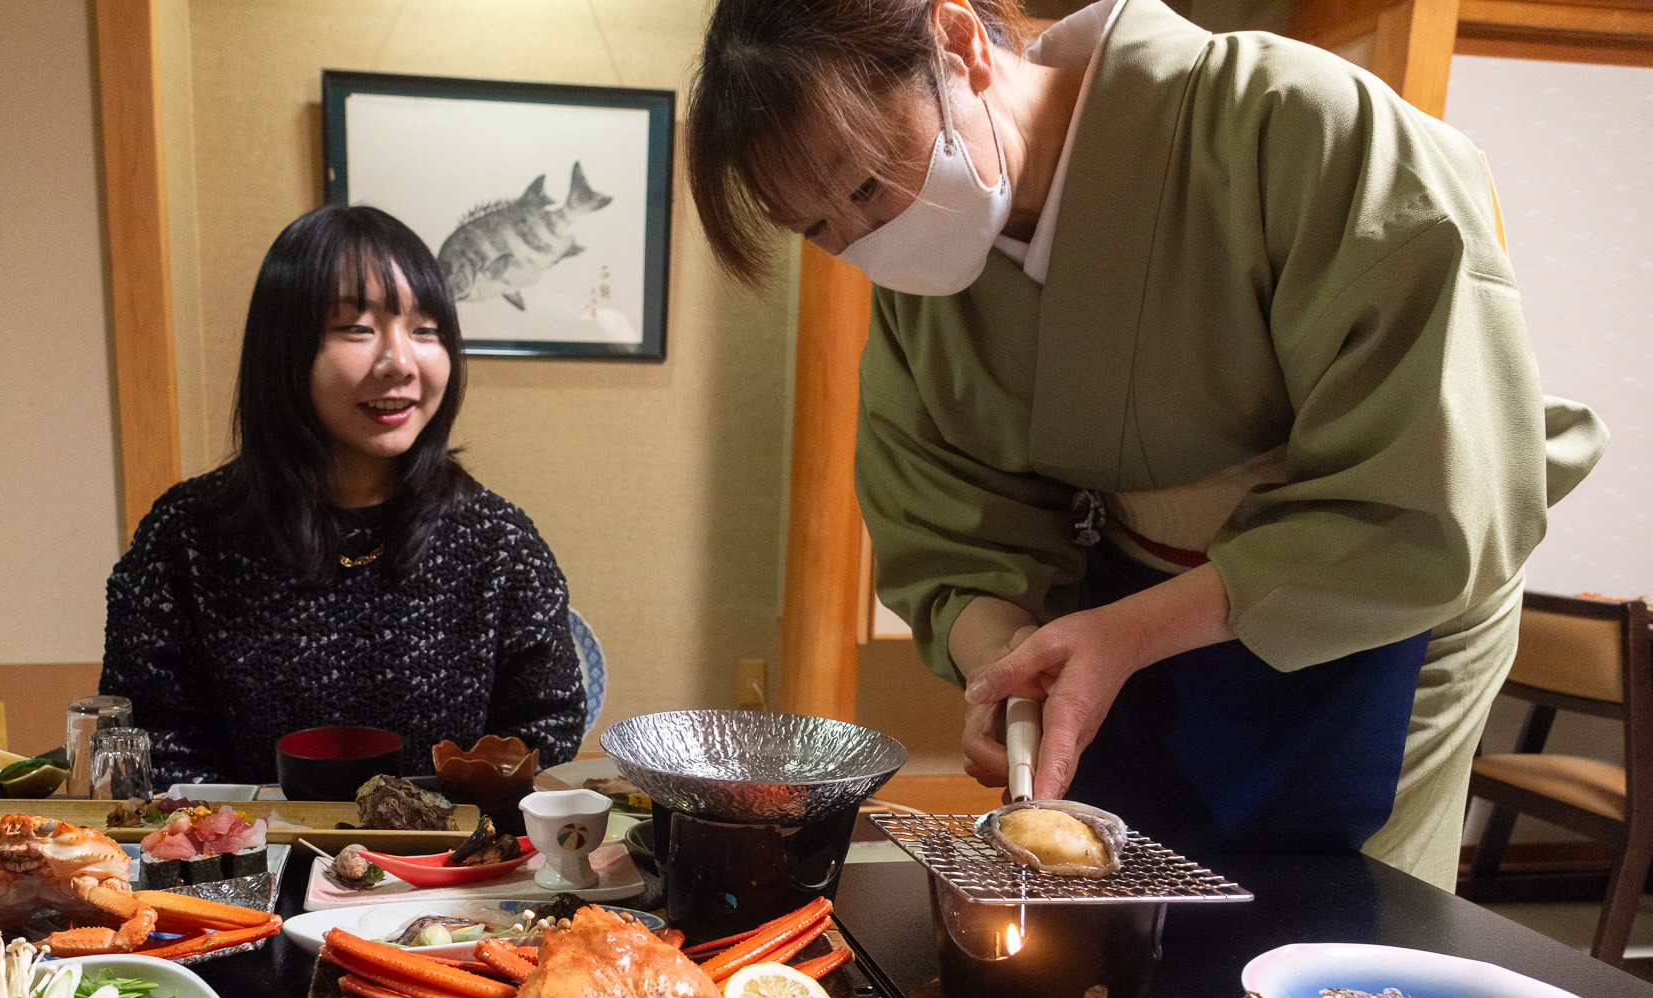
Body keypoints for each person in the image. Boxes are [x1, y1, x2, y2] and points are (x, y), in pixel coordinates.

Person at [686, 0, 1606, 886]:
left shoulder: (1291, 123)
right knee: (1130, 917)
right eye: (822, 230)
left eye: (864, 187)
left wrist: (1127, 633)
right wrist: (1007, 668)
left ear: (959, 41)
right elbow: (947, 523)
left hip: (1368, 603)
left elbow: (1429, 486)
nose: (867, 242)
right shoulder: (929, 275)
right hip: (1118, 622)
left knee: (1343, 948)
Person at [100, 205, 586, 784]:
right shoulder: (188, 537)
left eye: (426, 330)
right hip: (247, 867)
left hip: (447, 868)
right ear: (283, 348)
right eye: (357, 327)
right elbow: (149, 746)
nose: (401, 362)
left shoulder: (496, 541)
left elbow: (545, 728)